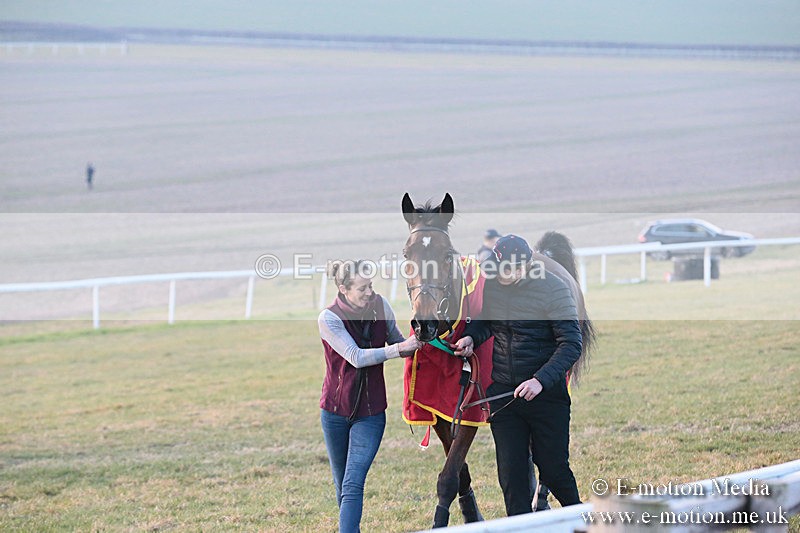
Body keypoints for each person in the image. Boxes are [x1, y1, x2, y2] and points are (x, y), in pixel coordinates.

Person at [454, 235, 583, 516]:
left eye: (509, 270)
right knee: (511, 478)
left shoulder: (553, 289)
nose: (503, 276)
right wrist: (471, 339)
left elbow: (572, 344)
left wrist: (539, 380)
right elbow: (487, 322)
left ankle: (585, 520)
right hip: (505, 396)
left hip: (546, 397)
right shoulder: (494, 285)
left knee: (554, 471)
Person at [318, 259, 420, 533]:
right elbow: (356, 357)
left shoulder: (380, 305)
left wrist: (427, 341)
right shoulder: (329, 318)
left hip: (371, 414)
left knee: (353, 483)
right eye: (362, 288)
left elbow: (398, 341)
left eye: (371, 286)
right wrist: (399, 349)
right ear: (343, 289)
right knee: (342, 486)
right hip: (334, 413)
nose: (369, 292)